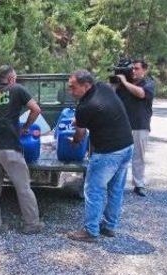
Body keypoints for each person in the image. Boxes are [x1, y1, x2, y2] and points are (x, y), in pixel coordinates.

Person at [66, 70, 134, 242]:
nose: (70, 91)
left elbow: (80, 134)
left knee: (93, 190)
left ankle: (90, 231)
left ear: (86, 85)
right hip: (127, 145)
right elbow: (103, 111)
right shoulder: (103, 88)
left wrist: (74, 142)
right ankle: (110, 226)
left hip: (108, 152)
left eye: (73, 87)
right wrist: (81, 121)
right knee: (115, 189)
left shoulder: (84, 106)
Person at [0, 65, 44, 235]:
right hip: (9, 147)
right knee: (23, 187)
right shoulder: (17, 89)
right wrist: (25, 127)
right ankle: (32, 224)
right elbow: (36, 109)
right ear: (11, 78)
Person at [115, 59, 155, 197]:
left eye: (137, 68)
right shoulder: (122, 85)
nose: (133, 71)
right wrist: (116, 83)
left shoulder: (148, 83)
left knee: (138, 156)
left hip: (140, 125)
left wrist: (125, 83)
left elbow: (141, 93)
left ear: (144, 70)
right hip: (122, 126)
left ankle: (139, 184)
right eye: (132, 69)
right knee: (118, 155)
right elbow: (111, 97)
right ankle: (115, 183)